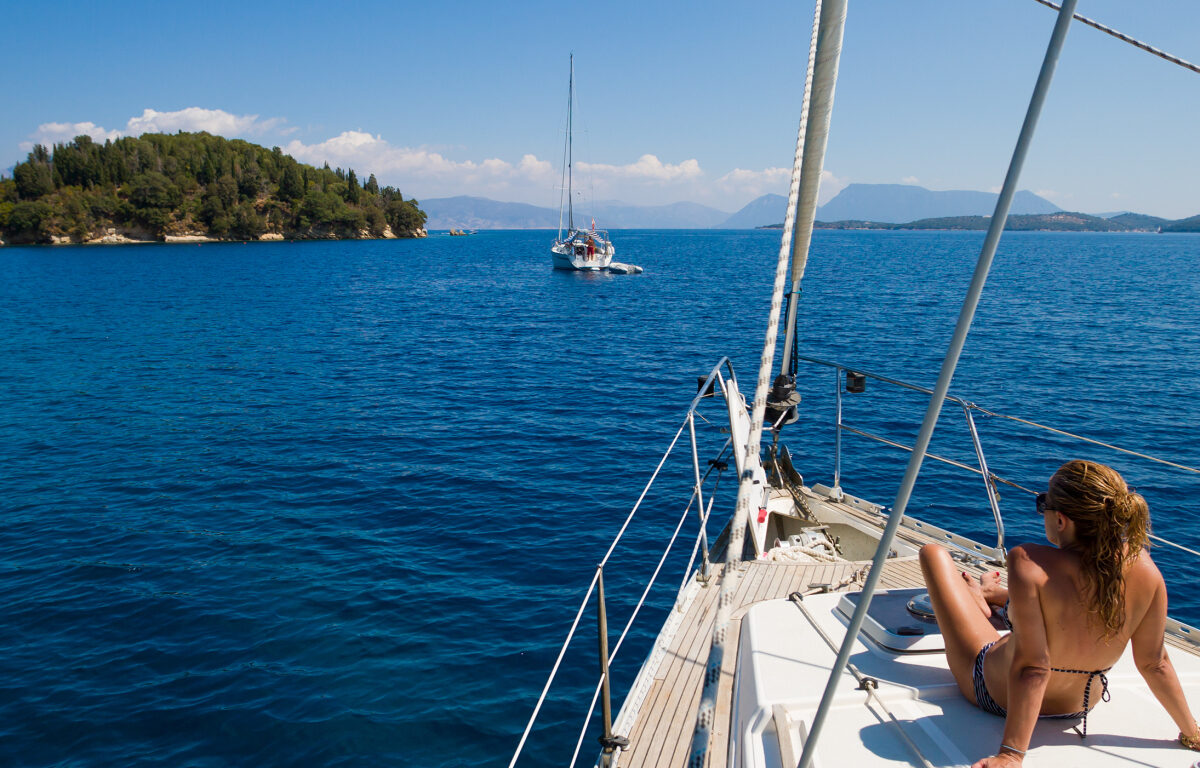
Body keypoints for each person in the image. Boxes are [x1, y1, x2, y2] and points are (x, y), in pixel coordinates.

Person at [918, 459, 1200, 766]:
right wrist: (1192, 733)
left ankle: (984, 597)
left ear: (1062, 520)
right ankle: (994, 597)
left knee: (932, 554)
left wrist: (1011, 755)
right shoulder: (1145, 567)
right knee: (1039, 612)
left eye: (1044, 505)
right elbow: (1154, 663)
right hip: (1079, 705)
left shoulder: (1027, 561)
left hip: (995, 693)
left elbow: (1034, 667)